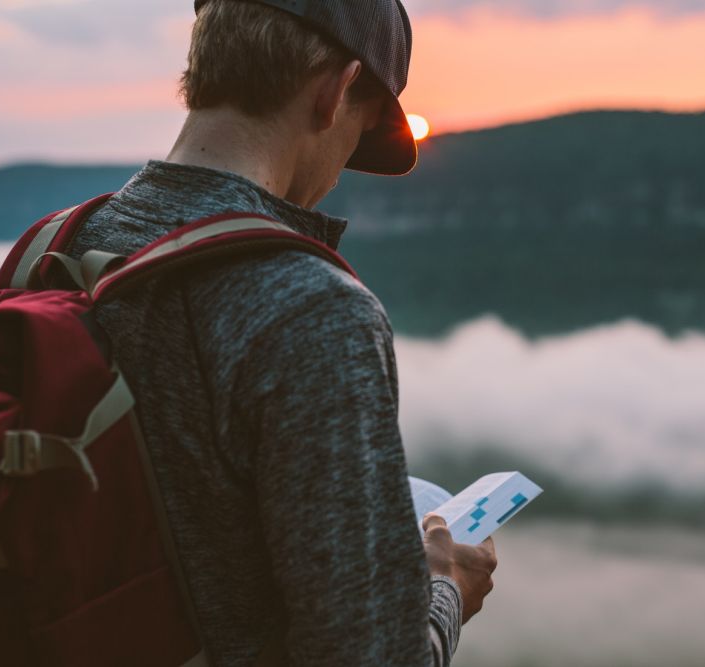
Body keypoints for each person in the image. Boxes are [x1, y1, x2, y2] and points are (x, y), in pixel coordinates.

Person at [65, 1, 498, 664]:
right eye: (357, 133)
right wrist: (444, 591)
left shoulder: (59, 248)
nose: (336, 172)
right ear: (333, 90)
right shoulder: (313, 308)